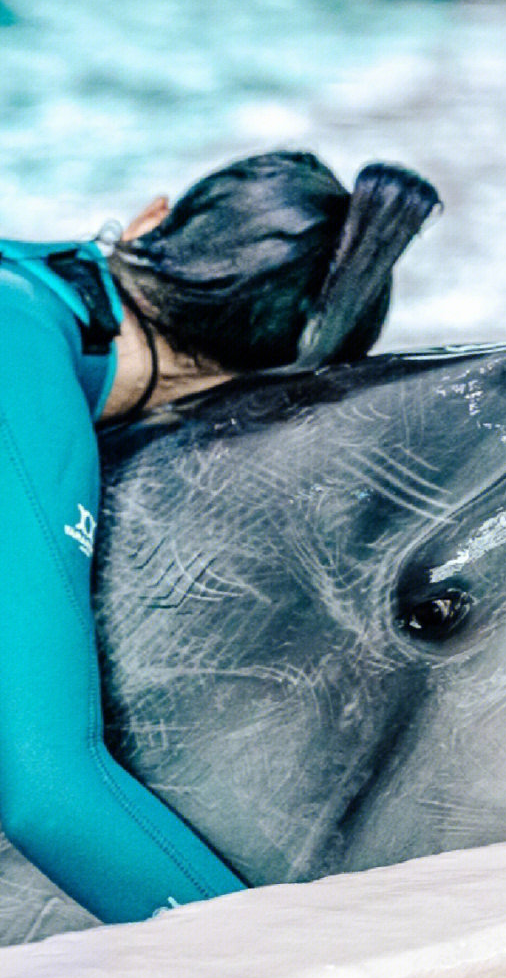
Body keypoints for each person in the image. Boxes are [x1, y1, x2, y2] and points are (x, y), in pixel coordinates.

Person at [0, 150, 439, 922]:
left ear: (150, 218)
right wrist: (275, 972)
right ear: (239, 398)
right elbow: (45, 789)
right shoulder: (27, 385)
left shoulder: (25, 282)